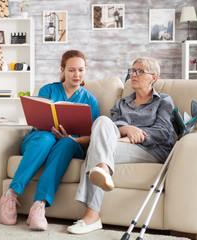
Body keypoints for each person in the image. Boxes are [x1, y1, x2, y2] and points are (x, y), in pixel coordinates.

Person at [67, 57, 175, 234]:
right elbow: (111, 129)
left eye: (140, 71)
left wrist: (132, 137)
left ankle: (92, 215)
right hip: (119, 144)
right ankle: (103, 169)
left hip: (151, 150)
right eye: (132, 71)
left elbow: (163, 132)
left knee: (97, 147)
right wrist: (127, 129)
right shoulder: (121, 103)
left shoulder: (163, 101)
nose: (133, 75)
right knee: (101, 121)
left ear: (153, 78)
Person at [0, 50, 100, 231]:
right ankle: (10, 195)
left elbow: (92, 137)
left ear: (85, 71)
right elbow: (37, 122)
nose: (77, 75)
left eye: (81, 70)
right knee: (45, 138)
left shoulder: (90, 100)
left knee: (66, 143)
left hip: (70, 145)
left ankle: (39, 206)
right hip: (40, 138)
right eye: (71, 70)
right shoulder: (48, 90)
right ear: (62, 70)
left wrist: (70, 138)